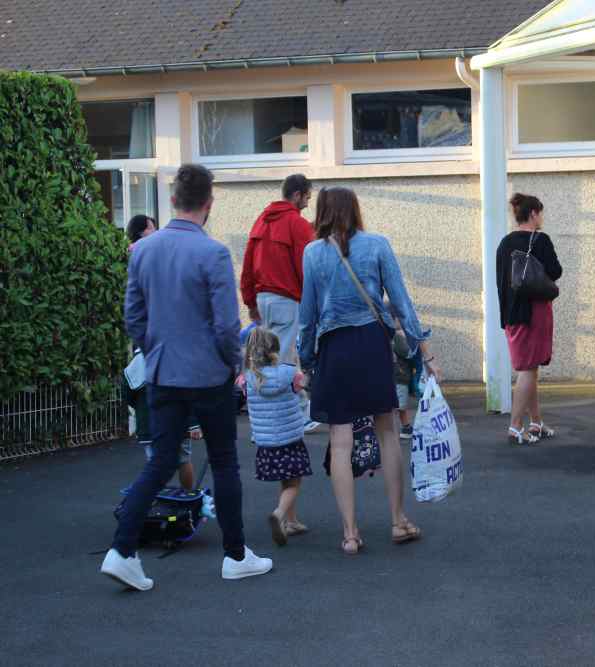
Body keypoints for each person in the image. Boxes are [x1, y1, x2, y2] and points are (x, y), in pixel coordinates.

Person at [102, 163, 272, 591]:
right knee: (224, 462)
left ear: (173, 200)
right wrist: (231, 363)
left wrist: (156, 349)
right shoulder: (213, 253)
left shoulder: (142, 251)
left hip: (163, 371)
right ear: (209, 204)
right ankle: (235, 555)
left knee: (162, 461)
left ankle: (122, 550)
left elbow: (133, 318)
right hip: (209, 374)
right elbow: (224, 325)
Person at [298, 187, 441, 555]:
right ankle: (398, 520)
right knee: (388, 434)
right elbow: (402, 302)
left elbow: (307, 315)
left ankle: (349, 533)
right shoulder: (377, 244)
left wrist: (307, 360)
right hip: (371, 347)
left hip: (334, 350)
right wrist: (422, 349)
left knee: (341, 442)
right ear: (356, 210)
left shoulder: (312, 253)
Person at [124, 216, 202, 491]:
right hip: (166, 360)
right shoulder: (151, 258)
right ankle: (188, 498)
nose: (156, 232)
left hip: (148, 420)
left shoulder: (142, 258)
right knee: (181, 458)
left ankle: (147, 505)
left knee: (155, 465)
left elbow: (133, 315)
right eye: (151, 228)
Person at [240, 174, 319, 432]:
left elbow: (248, 264)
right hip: (288, 299)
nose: (307, 202)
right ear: (297, 194)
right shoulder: (297, 224)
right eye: (307, 197)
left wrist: (250, 302)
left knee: (263, 361)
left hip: (262, 299)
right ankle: (294, 415)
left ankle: (264, 419)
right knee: (284, 361)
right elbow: (306, 267)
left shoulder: (261, 220)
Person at [496, 193, 562, 445]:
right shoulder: (540, 240)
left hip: (512, 313)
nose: (542, 217)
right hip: (535, 311)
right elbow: (555, 271)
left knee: (530, 368)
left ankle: (535, 423)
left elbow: (501, 282)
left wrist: (504, 316)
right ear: (533, 213)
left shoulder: (504, 243)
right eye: (540, 212)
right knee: (527, 370)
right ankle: (515, 427)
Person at [244, 327, 313, 545]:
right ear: (275, 350)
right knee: (294, 482)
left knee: (286, 480)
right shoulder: (289, 373)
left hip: (266, 443)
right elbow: (305, 383)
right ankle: (280, 514)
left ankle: (291, 522)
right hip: (290, 438)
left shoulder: (248, 378)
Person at [388, 302, 423, 441]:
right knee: (399, 406)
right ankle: (406, 427)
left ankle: (401, 428)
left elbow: (405, 353)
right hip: (400, 376)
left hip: (394, 377)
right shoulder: (397, 336)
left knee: (395, 406)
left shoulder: (391, 335)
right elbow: (408, 353)